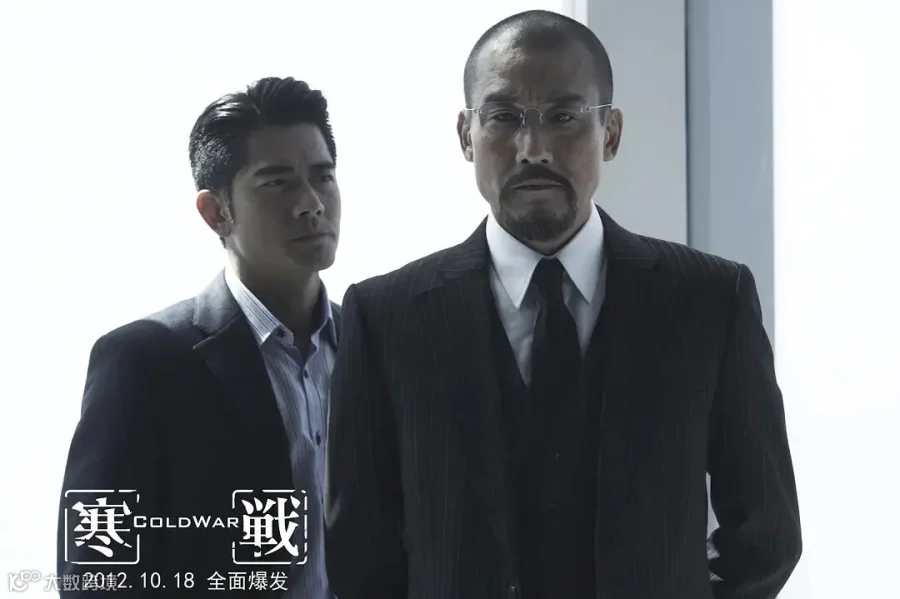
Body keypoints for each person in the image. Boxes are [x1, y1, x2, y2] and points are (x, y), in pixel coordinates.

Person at [325, 10, 801, 599]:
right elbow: (359, 553)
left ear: (611, 133)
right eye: (504, 117)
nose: (534, 149)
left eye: (564, 117)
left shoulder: (709, 300)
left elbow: (767, 533)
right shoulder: (385, 317)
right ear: (466, 135)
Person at [57, 77, 342, 598]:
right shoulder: (143, 361)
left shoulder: (373, 345)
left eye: (323, 177)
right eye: (277, 183)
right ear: (216, 213)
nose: (311, 203)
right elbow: (95, 574)